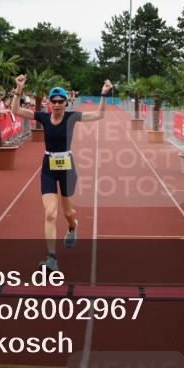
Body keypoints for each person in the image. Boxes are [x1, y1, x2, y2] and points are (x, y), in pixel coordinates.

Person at [11, 74, 112, 271]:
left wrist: (104, 94)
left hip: (67, 169)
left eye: (60, 102)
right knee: (50, 213)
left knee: (68, 213)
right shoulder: (42, 116)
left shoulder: (71, 117)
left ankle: (73, 226)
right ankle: (51, 258)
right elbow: (15, 110)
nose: (57, 105)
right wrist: (18, 88)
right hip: (48, 167)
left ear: (66, 103)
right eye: (54, 101)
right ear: (49, 102)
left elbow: (99, 115)